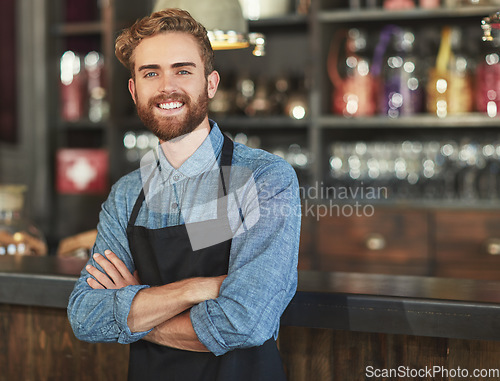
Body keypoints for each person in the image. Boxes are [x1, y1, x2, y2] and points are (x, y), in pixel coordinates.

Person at [67, 8, 301, 381]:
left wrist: (136, 306)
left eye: (183, 70)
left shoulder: (265, 179)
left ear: (210, 84)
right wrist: (200, 288)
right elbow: (86, 316)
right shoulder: (127, 195)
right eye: (151, 73)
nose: (166, 87)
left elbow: (245, 321)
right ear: (134, 90)